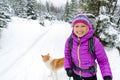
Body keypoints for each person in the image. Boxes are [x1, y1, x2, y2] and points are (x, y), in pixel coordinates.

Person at [64, 14, 113, 80]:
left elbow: (103, 61)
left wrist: (107, 75)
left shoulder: (94, 42)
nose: (79, 29)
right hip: (75, 74)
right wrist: (68, 67)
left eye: (83, 26)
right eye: (77, 26)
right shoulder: (70, 41)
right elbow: (67, 56)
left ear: (88, 27)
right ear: (73, 28)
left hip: (90, 76)